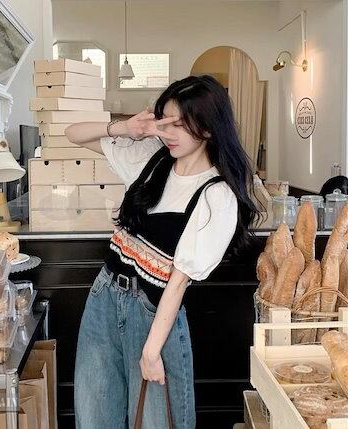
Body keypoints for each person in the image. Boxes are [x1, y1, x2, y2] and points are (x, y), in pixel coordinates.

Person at [65, 75, 261, 429]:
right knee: (94, 415)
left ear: (208, 129)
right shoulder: (152, 159)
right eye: (165, 120)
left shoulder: (216, 195)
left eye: (180, 124)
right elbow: (73, 134)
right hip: (104, 297)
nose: (168, 132)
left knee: (155, 421)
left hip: (152, 311)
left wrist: (152, 350)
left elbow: (178, 282)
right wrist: (124, 127)